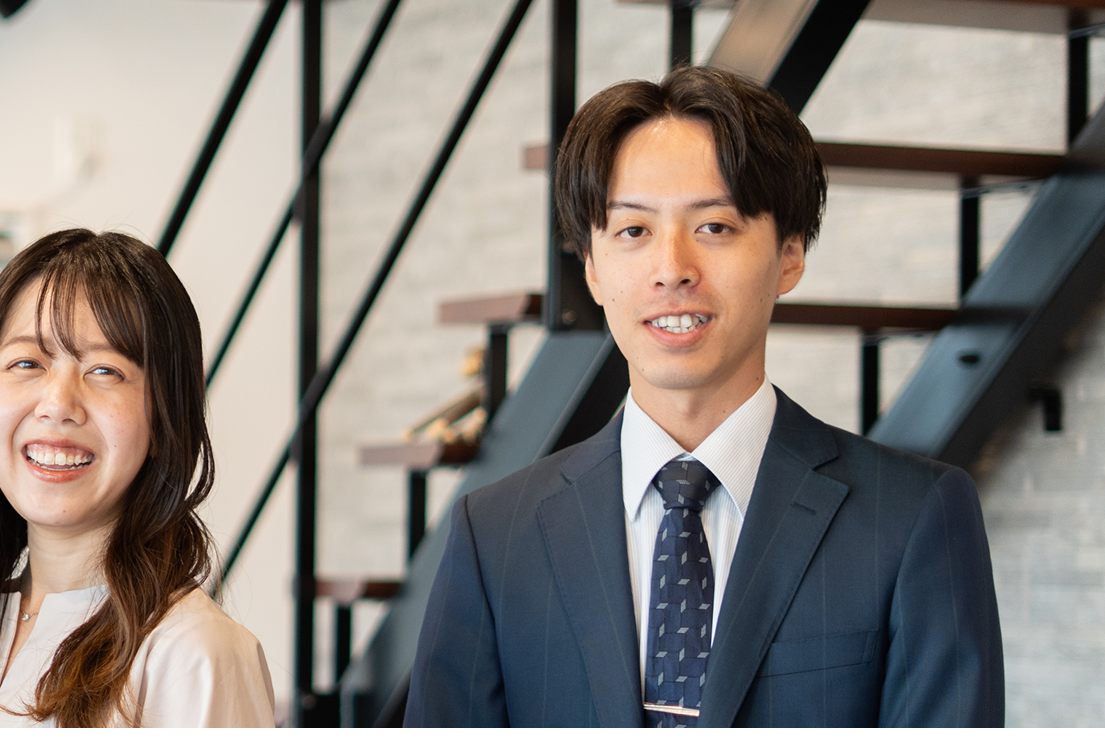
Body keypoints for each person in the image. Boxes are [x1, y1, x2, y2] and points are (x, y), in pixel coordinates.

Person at [404, 66, 1003, 728]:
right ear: (593, 269)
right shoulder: (494, 535)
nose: (672, 269)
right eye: (633, 231)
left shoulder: (913, 518)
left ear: (790, 254)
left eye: (715, 226)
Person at [0, 229, 277, 728]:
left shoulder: (195, 653)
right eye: (27, 362)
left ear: (165, 414)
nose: (58, 404)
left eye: (106, 371)